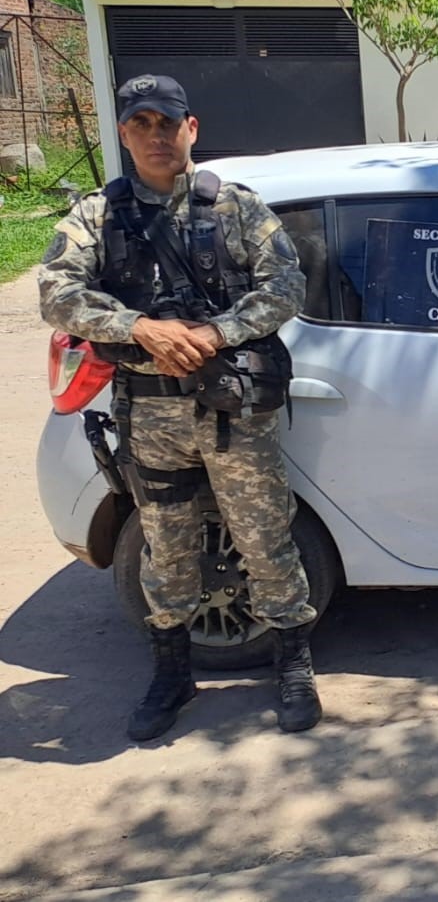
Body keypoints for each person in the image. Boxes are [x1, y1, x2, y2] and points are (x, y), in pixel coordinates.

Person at [35, 74, 322, 740]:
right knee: (165, 547)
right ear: (125, 133)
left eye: (168, 122)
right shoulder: (96, 218)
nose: (157, 135)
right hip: (151, 412)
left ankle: (293, 661)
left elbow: (286, 283)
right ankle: (172, 670)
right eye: (142, 123)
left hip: (233, 409)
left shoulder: (238, 209)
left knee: (263, 535)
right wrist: (141, 328)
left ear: (191, 128)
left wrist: (213, 333)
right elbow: (56, 291)